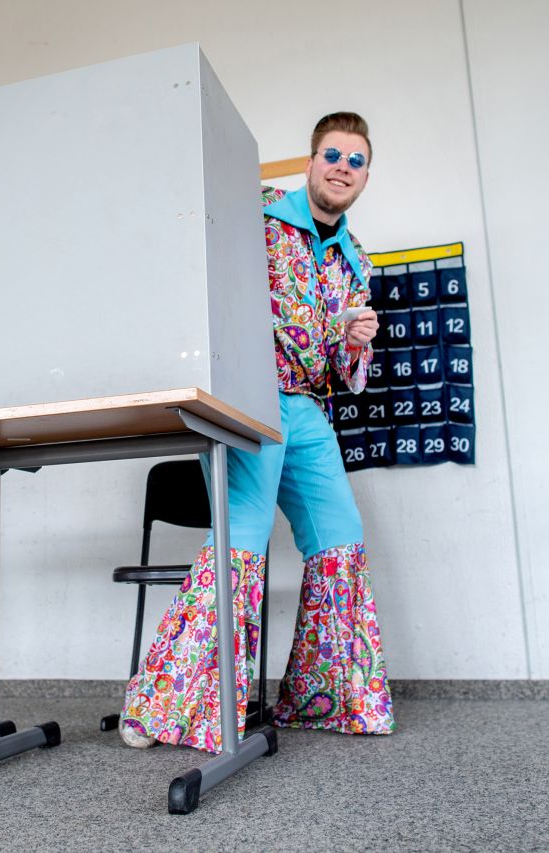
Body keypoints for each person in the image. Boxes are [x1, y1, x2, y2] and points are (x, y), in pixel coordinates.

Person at [120, 112, 395, 752]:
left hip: (306, 406)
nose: (342, 168)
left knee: (340, 539)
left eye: (356, 161)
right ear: (310, 158)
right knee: (240, 543)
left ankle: (329, 699)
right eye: (333, 154)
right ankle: (165, 709)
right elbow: (198, 265)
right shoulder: (260, 211)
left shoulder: (357, 263)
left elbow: (345, 373)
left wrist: (356, 344)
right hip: (250, 396)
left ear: (365, 176)